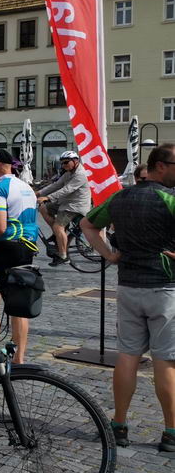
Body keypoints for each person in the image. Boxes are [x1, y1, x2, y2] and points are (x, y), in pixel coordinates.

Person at [81, 144, 175, 453]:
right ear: (160, 166)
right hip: (165, 288)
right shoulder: (170, 199)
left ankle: (118, 424)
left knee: (127, 356)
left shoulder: (120, 197)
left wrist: (109, 255)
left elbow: (87, 224)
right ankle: (171, 431)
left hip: (129, 287)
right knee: (165, 360)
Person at [0, 149, 39, 366]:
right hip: (27, 247)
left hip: (7, 247)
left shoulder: (0, 187)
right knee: (19, 304)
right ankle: (18, 359)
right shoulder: (26, 186)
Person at [37, 150, 92, 266]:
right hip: (66, 203)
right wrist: (39, 193)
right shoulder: (69, 173)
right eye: (62, 163)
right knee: (43, 208)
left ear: (75, 161)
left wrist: (48, 197)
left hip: (75, 206)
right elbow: (56, 185)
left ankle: (63, 256)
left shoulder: (81, 174)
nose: (63, 165)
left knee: (58, 226)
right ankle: (57, 234)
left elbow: (67, 190)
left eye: (66, 162)